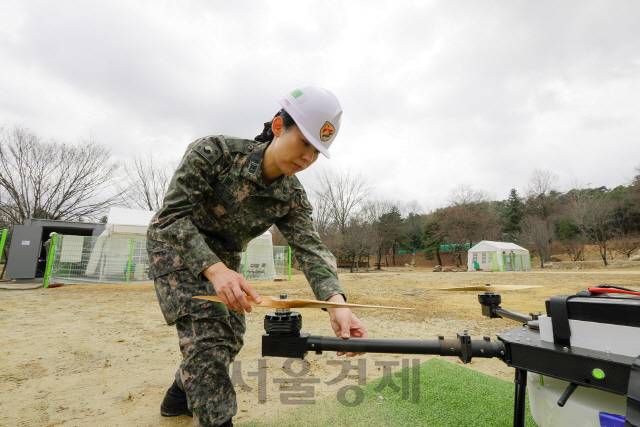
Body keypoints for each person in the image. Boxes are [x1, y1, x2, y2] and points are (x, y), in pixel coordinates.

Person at [147, 86, 368, 427]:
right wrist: (217, 271)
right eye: (304, 142)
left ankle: (178, 395)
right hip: (175, 246)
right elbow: (171, 217)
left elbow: (311, 249)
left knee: (231, 336)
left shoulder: (291, 195)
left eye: (316, 151)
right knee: (208, 338)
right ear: (279, 127)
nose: (307, 157)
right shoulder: (215, 153)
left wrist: (337, 304)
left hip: (225, 260)